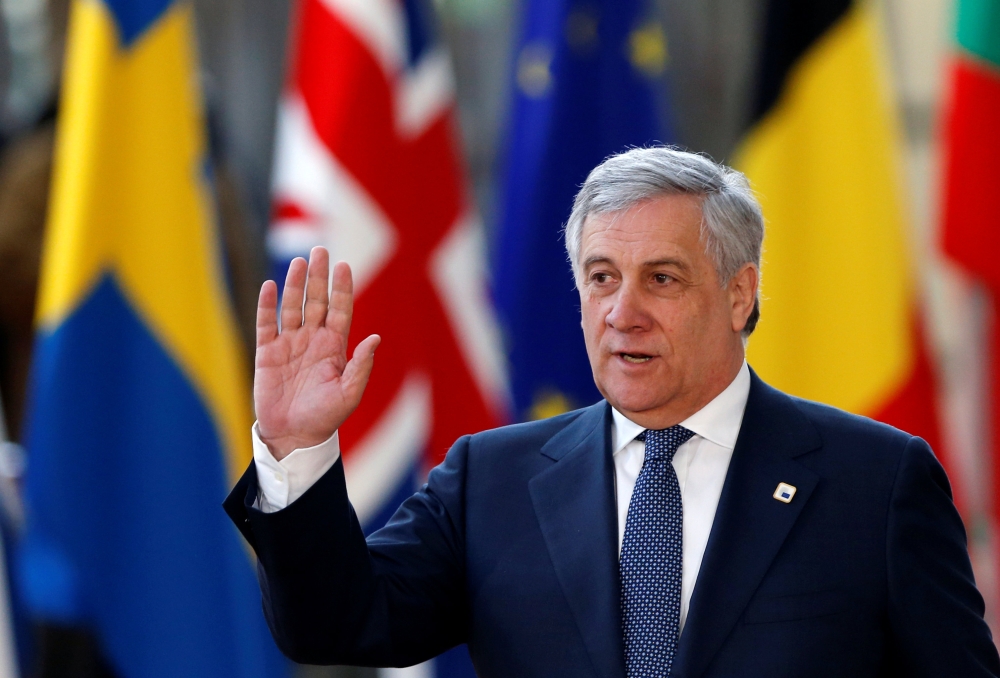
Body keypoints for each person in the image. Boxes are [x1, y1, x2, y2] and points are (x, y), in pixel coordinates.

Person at [225, 147, 1000, 677]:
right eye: (601, 277)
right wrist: (297, 449)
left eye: (661, 279)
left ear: (740, 294)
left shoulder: (876, 482)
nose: (622, 312)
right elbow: (335, 625)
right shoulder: (490, 481)